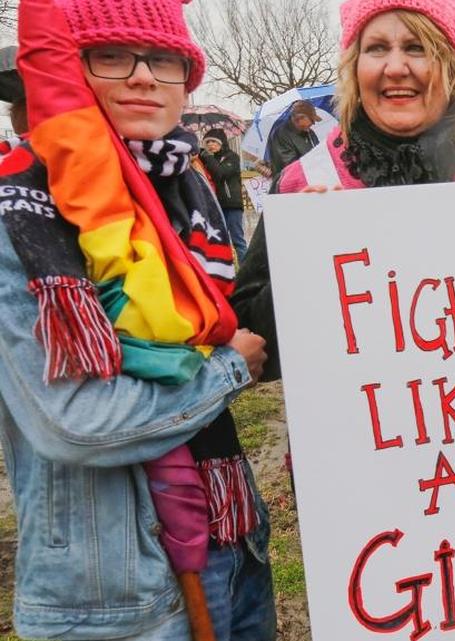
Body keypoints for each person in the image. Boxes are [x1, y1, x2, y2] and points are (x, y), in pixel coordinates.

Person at [0, 0, 274, 639]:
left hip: (232, 543)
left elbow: (243, 321)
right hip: (117, 597)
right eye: (113, 57)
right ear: (72, 73)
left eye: (165, 60)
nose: (145, 77)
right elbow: (77, 424)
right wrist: (228, 370)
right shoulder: (20, 220)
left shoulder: (189, 190)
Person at [232, 0, 455, 382]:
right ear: (355, 66)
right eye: (377, 48)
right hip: (360, 433)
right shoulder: (306, 180)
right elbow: (253, 349)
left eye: (417, 48)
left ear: (451, 65)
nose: (396, 68)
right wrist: (304, 260)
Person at [200, 128, 248, 260]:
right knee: (218, 240)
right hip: (215, 206)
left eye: (214, 142)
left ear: (222, 143)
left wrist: (208, 158)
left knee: (238, 240)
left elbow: (220, 174)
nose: (210, 145)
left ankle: (247, 271)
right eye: (208, 142)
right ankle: (225, 271)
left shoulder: (232, 157)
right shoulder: (205, 158)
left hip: (232, 205)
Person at [267, 100, 320, 178]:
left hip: (311, 179)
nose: (313, 123)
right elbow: (289, 165)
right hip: (291, 183)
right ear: (299, 118)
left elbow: (319, 153)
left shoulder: (310, 133)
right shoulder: (281, 134)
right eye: (311, 120)